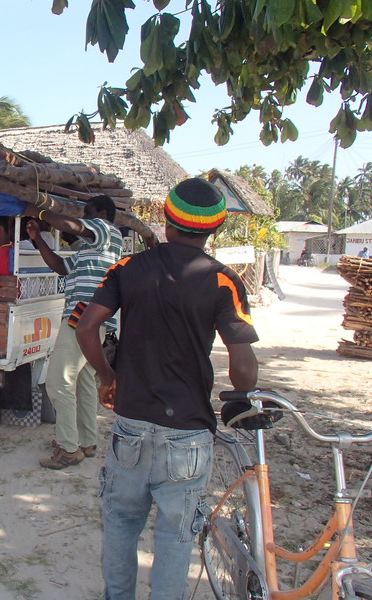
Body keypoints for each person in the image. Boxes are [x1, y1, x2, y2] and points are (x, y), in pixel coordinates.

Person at [75, 178, 259, 600]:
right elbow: (243, 365)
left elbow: (86, 328)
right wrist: (244, 394)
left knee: (121, 523)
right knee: (176, 536)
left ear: (166, 219)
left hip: (132, 425)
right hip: (188, 433)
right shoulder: (224, 280)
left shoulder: (128, 268)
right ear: (215, 229)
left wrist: (107, 377)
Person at [22, 197, 122, 470]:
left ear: (102, 213)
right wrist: (37, 239)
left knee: (58, 382)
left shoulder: (104, 229)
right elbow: (59, 266)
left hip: (83, 319)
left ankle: (68, 449)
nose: (84, 218)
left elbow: (75, 226)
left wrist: (40, 212)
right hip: (91, 319)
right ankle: (86, 442)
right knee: (83, 382)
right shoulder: (93, 249)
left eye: (88, 213)